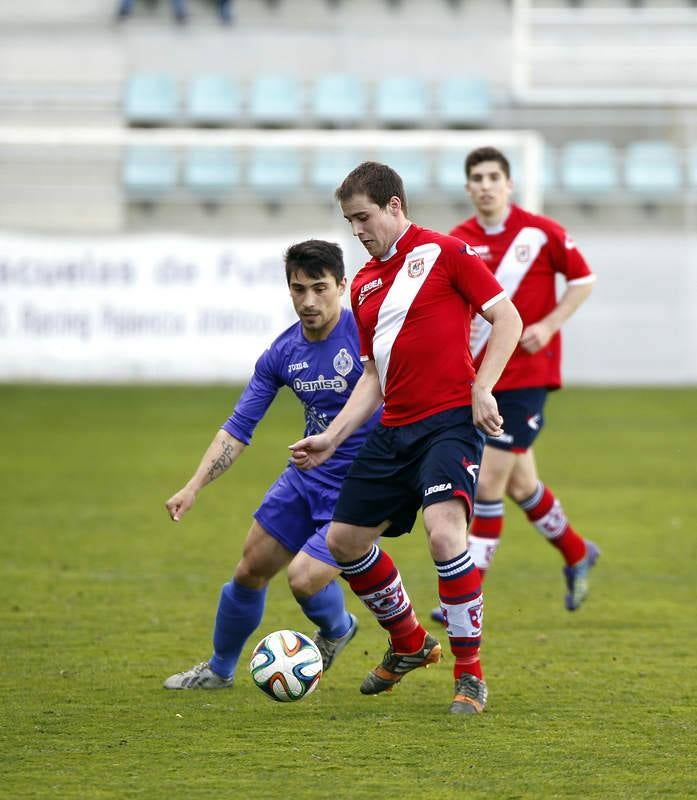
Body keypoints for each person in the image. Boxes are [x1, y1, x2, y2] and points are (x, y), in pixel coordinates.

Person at [289, 162, 522, 715]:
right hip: (394, 429)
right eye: (349, 221)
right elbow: (372, 376)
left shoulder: (445, 253)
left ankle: (470, 675)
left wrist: (482, 387)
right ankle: (411, 642)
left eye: (364, 217)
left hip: (449, 423)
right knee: (344, 542)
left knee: (445, 536)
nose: (357, 230)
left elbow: (507, 318)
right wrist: (333, 435)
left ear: (394, 205)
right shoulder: (365, 285)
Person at [163, 239, 376, 689]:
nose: (308, 301)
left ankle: (336, 629)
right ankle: (219, 671)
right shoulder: (282, 354)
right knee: (249, 570)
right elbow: (238, 428)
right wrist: (193, 485)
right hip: (305, 479)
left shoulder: (369, 339)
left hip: (362, 484)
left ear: (343, 285)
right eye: (298, 290)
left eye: (320, 288)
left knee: (303, 580)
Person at [430, 145, 598, 626]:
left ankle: (464, 593)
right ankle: (577, 551)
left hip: (527, 379)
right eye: (476, 178)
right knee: (521, 484)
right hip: (480, 379)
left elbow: (583, 280)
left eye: (493, 177)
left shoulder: (542, 233)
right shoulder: (456, 241)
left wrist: (549, 324)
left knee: (487, 483)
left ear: (508, 184)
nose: (485, 185)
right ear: (468, 188)